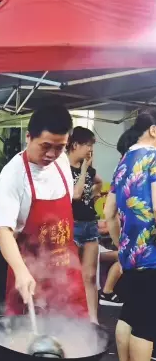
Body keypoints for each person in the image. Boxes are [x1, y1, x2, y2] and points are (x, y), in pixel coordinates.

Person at [0, 105, 88, 317]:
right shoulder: (13, 174)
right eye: (45, 146)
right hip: (30, 274)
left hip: (66, 274)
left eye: (60, 147)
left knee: (75, 340)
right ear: (28, 137)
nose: (52, 154)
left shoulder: (61, 161)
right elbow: (3, 231)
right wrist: (20, 271)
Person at [104, 108, 156, 361]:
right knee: (147, 322)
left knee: (130, 314)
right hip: (152, 253)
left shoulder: (124, 163)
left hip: (131, 253)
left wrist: (121, 243)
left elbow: (109, 213)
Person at [68, 126, 102, 323]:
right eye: (88, 145)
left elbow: (99, 182)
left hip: (90, 224)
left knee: (89, 276)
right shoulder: (63, 168)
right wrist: (82, 172)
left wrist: (95, 193)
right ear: (75, 145)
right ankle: (71, 318)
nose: (90, 149)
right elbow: (75, 195)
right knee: (70, 276)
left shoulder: (89, 168)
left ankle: (92, 320)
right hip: (72, 225)